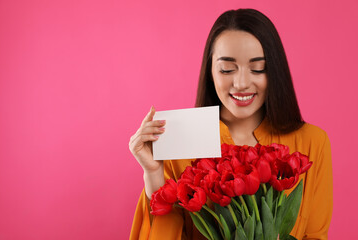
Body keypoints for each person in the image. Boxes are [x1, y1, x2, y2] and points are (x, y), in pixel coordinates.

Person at [129, 8, 333, 240]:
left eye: (258, 68)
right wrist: (153, 172)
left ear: (275, 71)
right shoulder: (180, 142)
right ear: (210, 72)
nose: (242, 83)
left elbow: (316, 234)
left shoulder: (312, 143)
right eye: (227, 69)